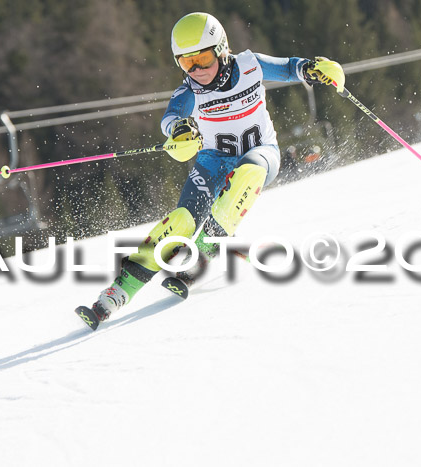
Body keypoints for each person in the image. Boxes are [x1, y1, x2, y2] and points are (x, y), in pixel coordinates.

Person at [89, 12, 345, 321]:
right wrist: (178, 131)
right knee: (182, 220)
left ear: (221, 48)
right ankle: (121, 290)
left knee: (249, 173)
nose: (197, 70)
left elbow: (290, 68)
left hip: (261, 152)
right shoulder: (189, 91)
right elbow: (169, 118)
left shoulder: (250, 65)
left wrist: (313, 68)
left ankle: (201, 255)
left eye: (204, 58)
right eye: (186, 63)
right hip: (213, 162)